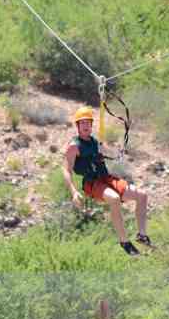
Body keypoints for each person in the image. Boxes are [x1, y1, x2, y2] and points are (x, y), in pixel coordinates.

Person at [63, 106, 151, 255]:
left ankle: (142, 235)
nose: (85, 126)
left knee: (142, 195)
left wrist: (111, 151)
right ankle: (124, 242)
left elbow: (107, 153)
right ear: (77, 126)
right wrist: (73, 191)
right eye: (82, 123)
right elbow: (66, 169)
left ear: (91, 125)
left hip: (106, 178)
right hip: (92, 183)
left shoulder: (95, 142)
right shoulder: (74, 146)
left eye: (88, 123)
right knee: (114, 198)